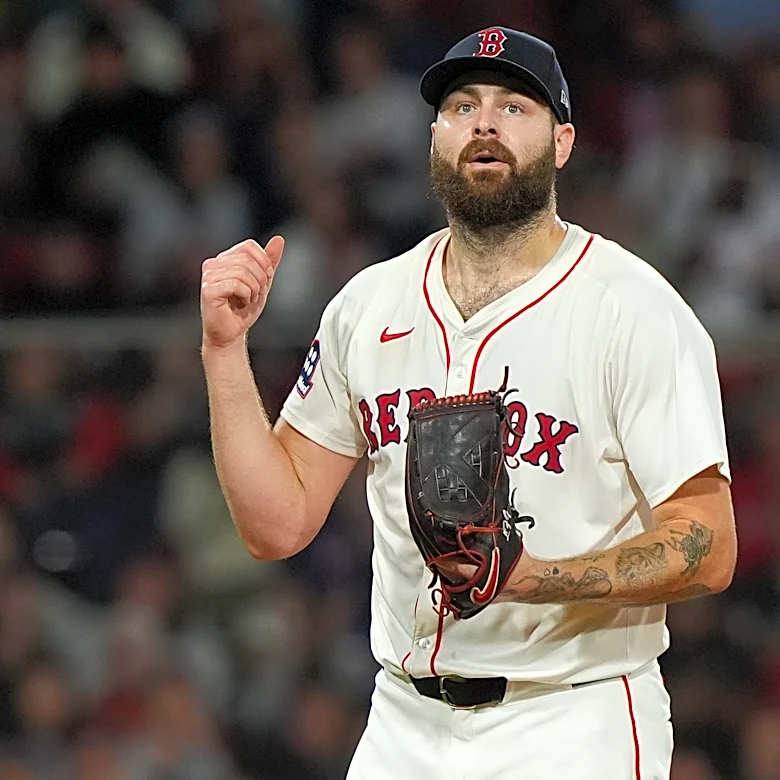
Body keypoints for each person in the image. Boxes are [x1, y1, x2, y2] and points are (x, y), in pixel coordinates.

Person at [200, 27, 737, 780]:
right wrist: (225, 352)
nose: (483, 122)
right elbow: (276, 524)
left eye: (515, 106)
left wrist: (532, 576)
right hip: (403, 720)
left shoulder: (633, 308)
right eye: (461, 105)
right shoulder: (369, 303)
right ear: (435, 138)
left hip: (571, 715)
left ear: (563, 143)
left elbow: (709, 544)